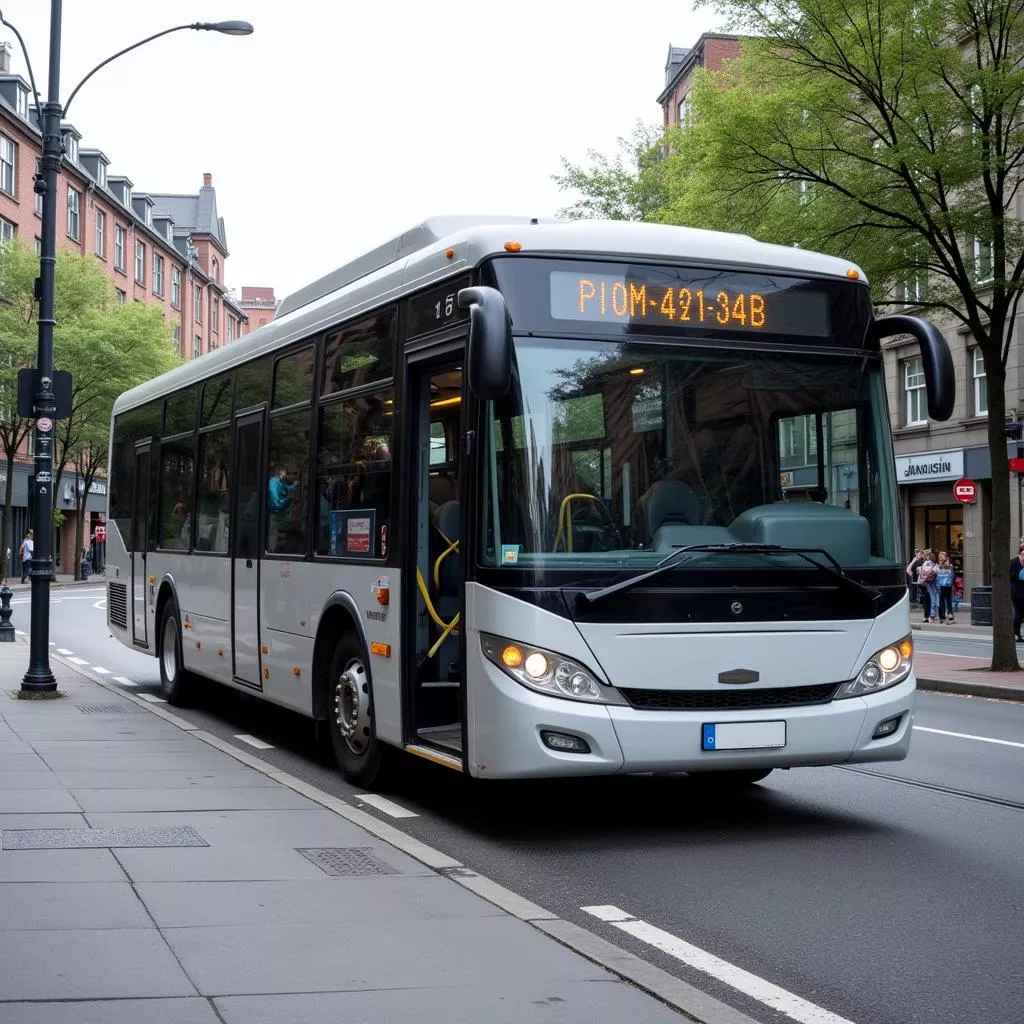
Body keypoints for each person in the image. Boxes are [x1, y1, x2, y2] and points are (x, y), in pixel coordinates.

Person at [917, 548, 938, 623]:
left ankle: (927, 616)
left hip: (924, 583)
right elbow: (937, 572)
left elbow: (919, 571)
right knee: (932, 600)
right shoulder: (935, 564)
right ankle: (931, 615)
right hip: (931, 584)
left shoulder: (924, 563)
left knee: (927, 600)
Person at [935, 551, 955, 624]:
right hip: (942, 585)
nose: (940, 558)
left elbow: (951, 576)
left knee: (947, 600)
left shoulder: (949, 565)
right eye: (939, 557)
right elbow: (937, 576)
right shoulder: (938, 566)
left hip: (946, 586)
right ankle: (943, 615)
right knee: (942, 601)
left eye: (942, 556)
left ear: (946, 557)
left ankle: (948, 615)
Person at [1010, 544, 1024, 642]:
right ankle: (1016, 633)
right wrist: (1015, 575)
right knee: (1019, 614)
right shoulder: (1014, 562)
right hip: (1017, 593)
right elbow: (1010, 576)